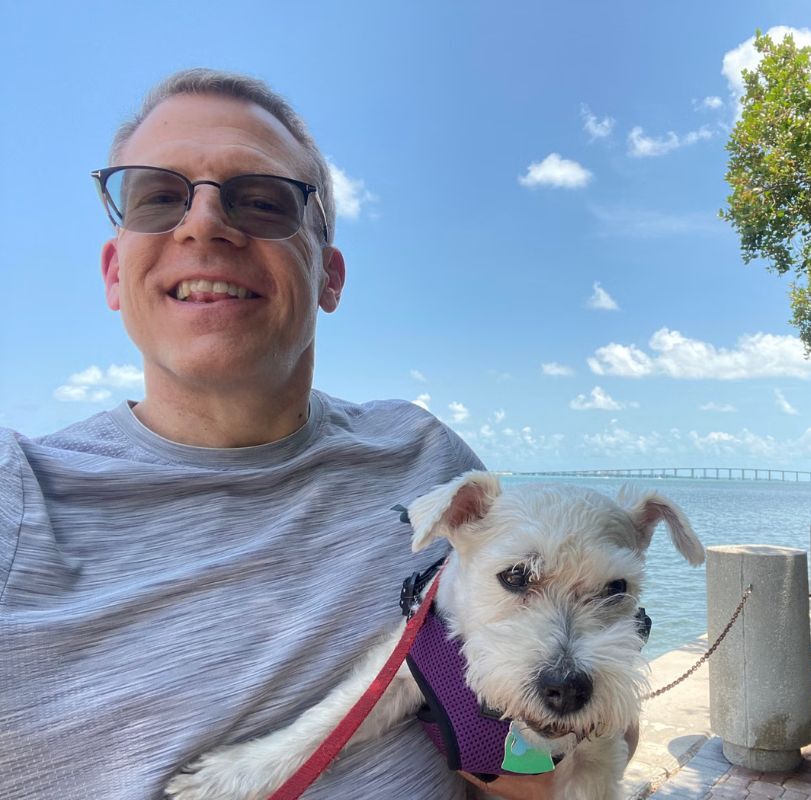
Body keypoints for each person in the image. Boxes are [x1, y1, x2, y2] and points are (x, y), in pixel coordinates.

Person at [0, 69, 554, 799]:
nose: (202, 224)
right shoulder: (18, 498)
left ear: (329, 276)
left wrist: (507, 740)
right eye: (158, 197)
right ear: (113, 271)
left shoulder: (427, 459)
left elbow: (557, 745)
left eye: (262, 200)